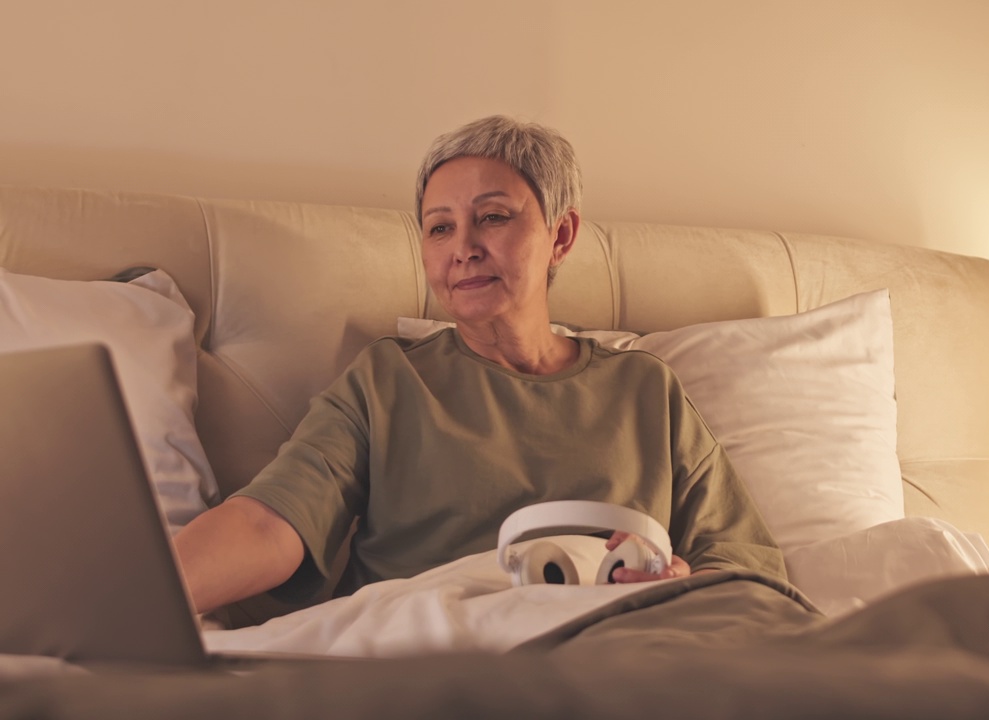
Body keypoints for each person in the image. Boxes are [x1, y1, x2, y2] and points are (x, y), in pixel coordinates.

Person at [174, 116, 785, 615]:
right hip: (433, 659)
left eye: (492, 217)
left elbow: (744, 565)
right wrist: (141, 605)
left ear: (562, 236)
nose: (463, 247)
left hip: (614, 657)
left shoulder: (644, 389)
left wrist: (681, 584)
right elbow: (270, 521)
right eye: (440, 227)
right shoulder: (388, 382)